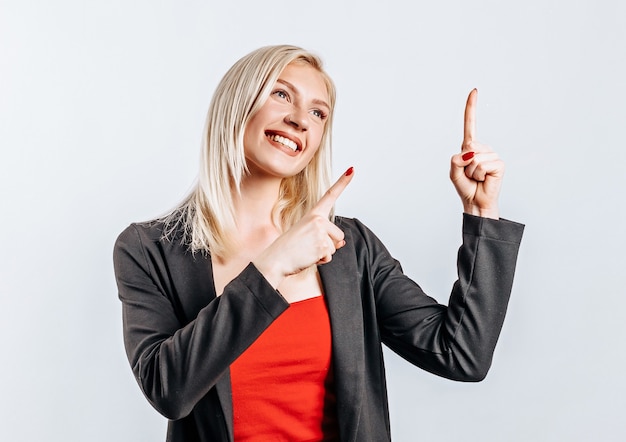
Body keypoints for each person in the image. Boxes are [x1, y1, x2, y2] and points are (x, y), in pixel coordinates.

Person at [113, 44, 524, 442]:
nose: (300, 120)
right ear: (236, 105)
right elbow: (168, 390)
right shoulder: (149, 249)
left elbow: (460, 354)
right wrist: (269, 269)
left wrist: (481, 212)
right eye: (280, 94)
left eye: (317, 112)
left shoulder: (349, 246)